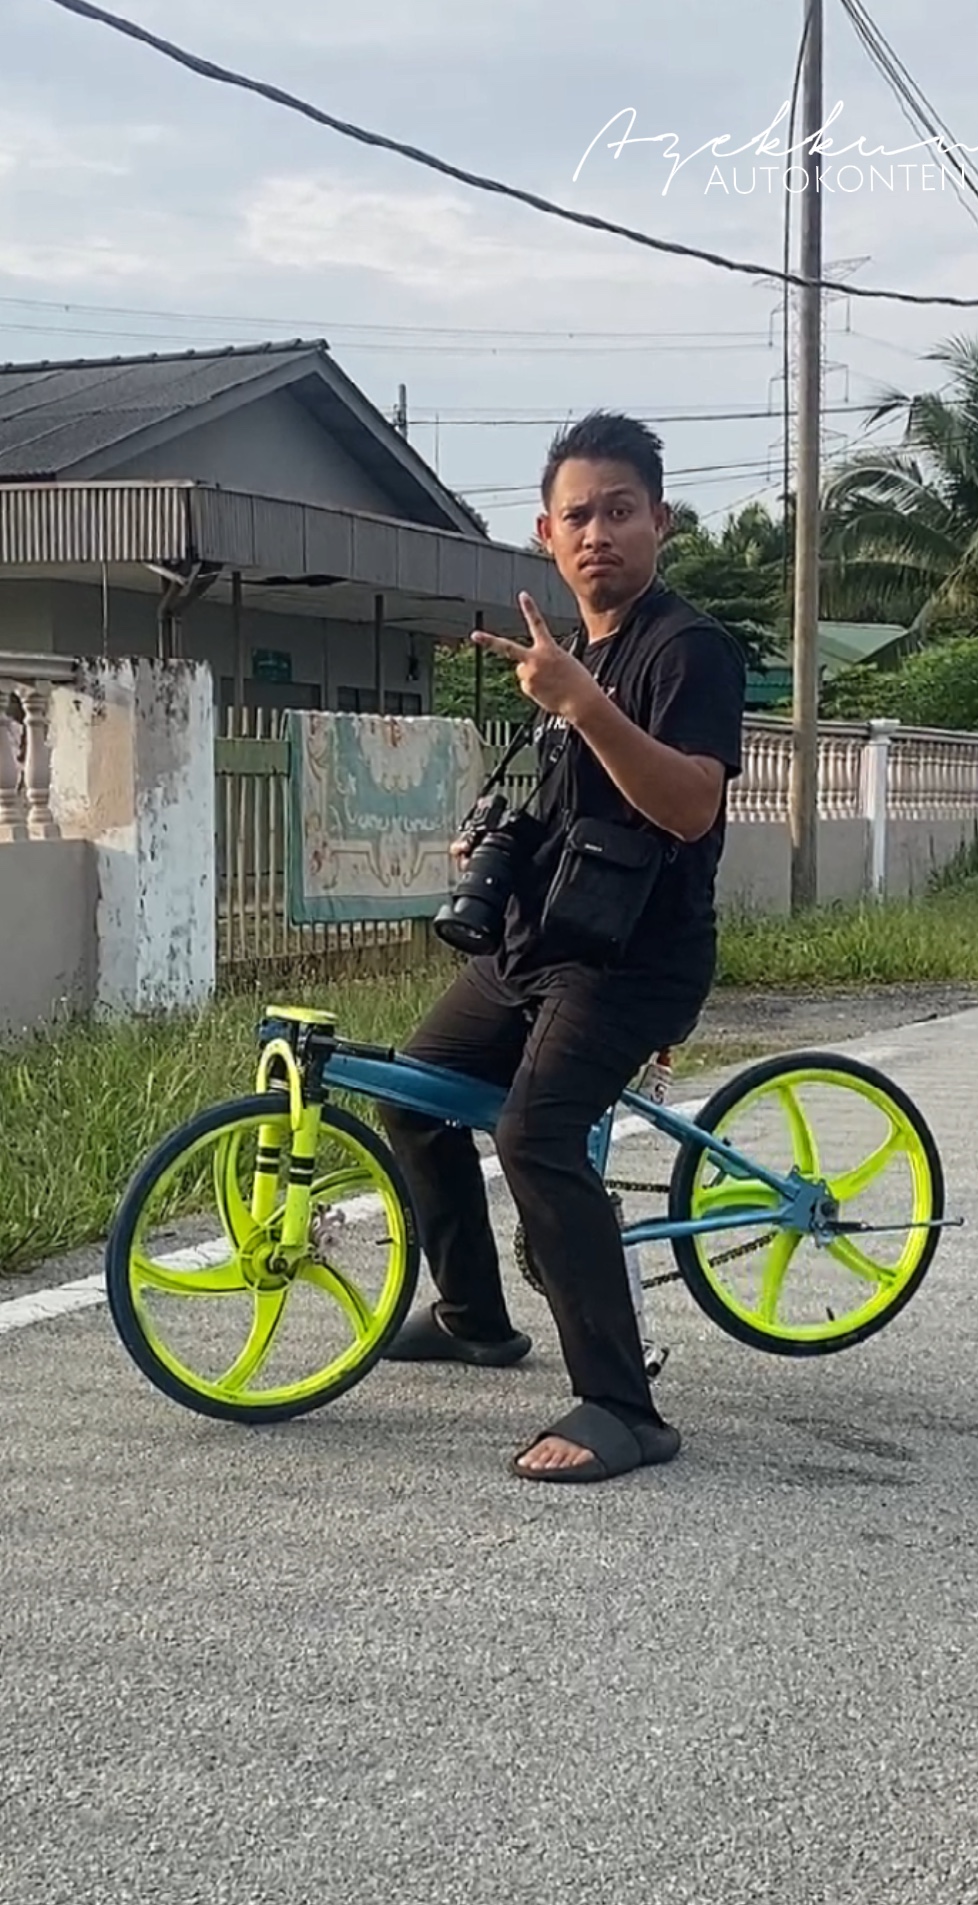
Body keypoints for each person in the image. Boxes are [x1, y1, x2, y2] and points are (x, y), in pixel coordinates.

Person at [377, 410, 746, 1484]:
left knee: (536, 1136)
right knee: (413, 1092)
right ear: (545, 533)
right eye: (577, 516)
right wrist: (494, 843)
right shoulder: (571, 655)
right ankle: (475, 1316)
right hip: (541, 943)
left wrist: (584, 704)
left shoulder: (690, 651)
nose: (598, 534)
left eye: (620, 511)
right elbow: (574, 809)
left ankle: (624, 1409)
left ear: (661, 521)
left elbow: (688, 807)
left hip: (636, 960)